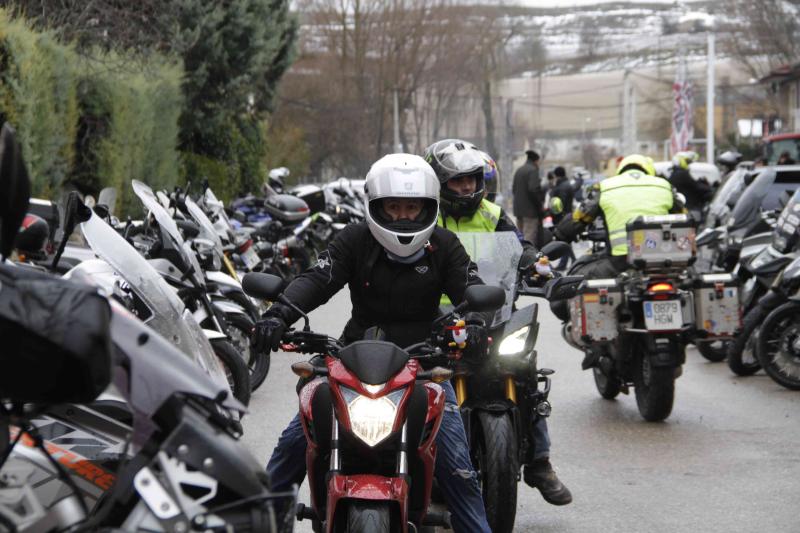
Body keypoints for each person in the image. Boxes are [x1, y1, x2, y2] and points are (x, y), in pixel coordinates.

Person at [254, 153, 493, 533]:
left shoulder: (445, 246)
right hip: (351, 360)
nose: (402, 216)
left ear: (427, 207)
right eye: (393, 207)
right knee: (290, 449)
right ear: (374, 206)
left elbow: (472, 288)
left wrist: (477, 324)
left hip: (426, 366)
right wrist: (278, 315)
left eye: (411, 207)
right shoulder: (354, 239)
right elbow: (318, 279)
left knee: (458, 470)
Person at [424, 138, 573, 506]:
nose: (467, 188)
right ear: (439, 183)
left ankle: (540, 463)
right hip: (437, 319)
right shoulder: (427, 216)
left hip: (492, 312)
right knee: (419, 383)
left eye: (472, 180)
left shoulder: (491, 213)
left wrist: (536, 265)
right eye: (458, 181)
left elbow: (517, 245)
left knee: (525, 374)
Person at [552, 154, 686, 281]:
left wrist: (560, 234)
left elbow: (579, 218)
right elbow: (684, 218)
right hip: (662, 260)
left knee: (575, 278)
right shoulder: (665, 186)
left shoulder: (605, 186)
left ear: (621, 169)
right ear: (648, 170)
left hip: (621, 260)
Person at [513, 149, 545, 246]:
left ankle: (519, 259)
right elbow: (534, 189)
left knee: (520, 238)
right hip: (530, 212)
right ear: (535, 161)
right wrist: (540, 206)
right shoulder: (533, 170)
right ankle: (528, 260)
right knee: (529, 238)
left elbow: (514, 189)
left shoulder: (519, 170)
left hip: (519, 211)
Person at [668, 150, 711, 220]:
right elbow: (696, 187)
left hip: (684, 206)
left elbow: (691, 184)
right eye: (687, 161)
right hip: (689, 207)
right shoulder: (682, 174)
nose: (688, 163)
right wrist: (708, 188)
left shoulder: (676, 173)